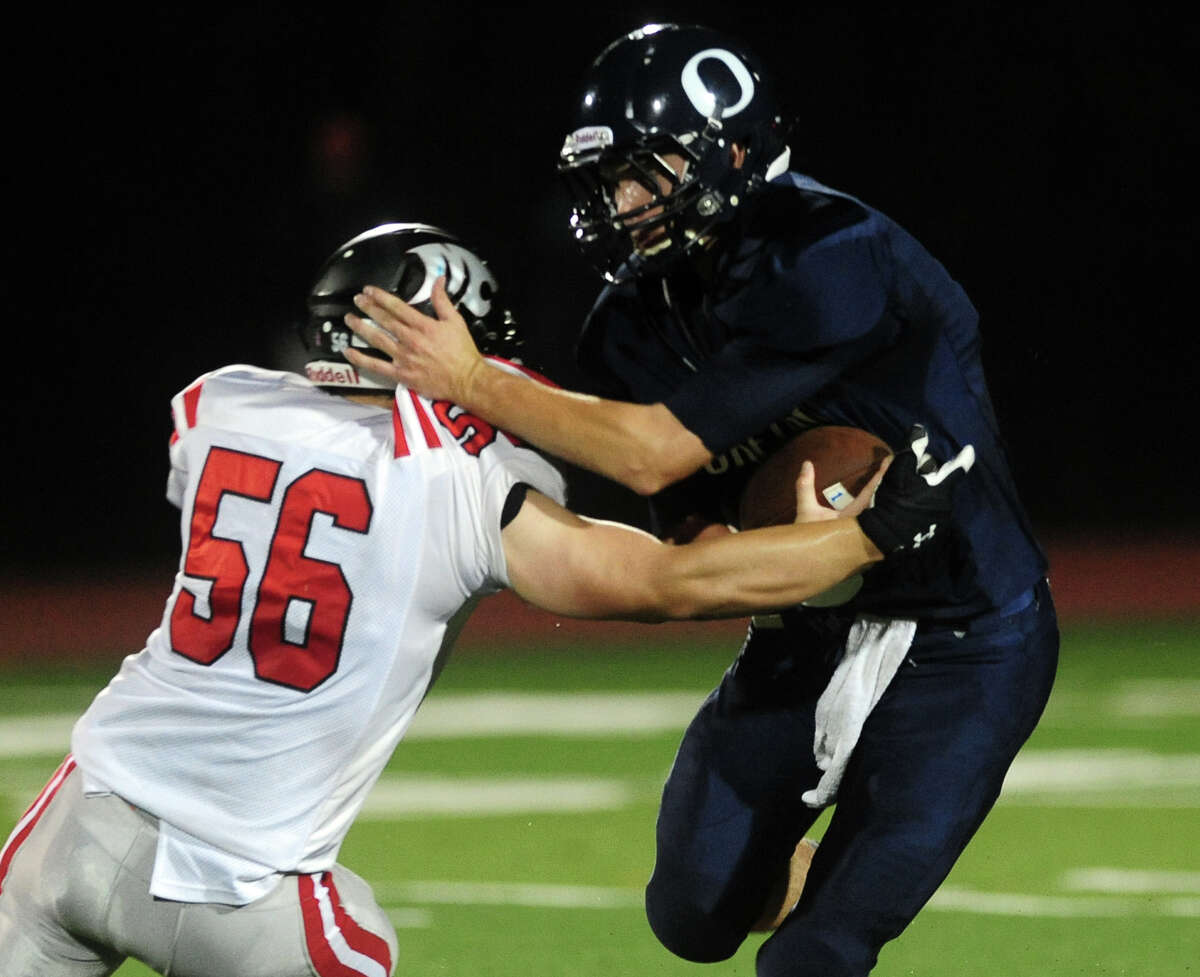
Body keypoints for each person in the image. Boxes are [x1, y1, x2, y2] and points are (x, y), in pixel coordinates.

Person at [0, 222, 970, 977]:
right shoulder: (459, 486)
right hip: (226, 876)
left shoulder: (218, 407)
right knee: (358, 945)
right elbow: (664, 584)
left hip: (66, 824)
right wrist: (866, 534)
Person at [340, 23, 1060, 977]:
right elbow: (690, 525)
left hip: (967, 633)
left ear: (728, 145)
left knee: (813, 956)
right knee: (691, 914)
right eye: (611, 181)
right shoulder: (628, 328)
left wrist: (472, 381)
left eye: (649, 170)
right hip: (804, 635)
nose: (625, 201)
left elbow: (651, 453)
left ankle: (848, 897)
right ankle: (830, 871)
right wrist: (783, 571)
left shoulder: (833, 257)